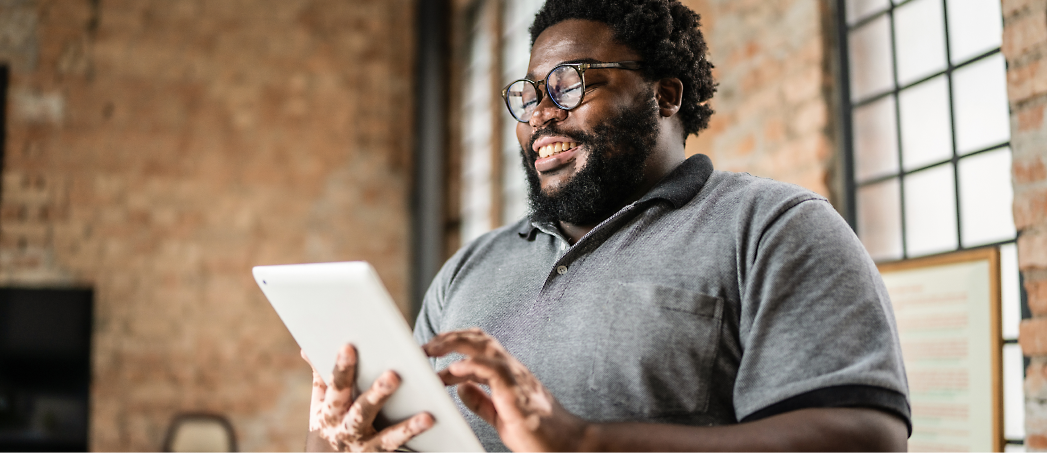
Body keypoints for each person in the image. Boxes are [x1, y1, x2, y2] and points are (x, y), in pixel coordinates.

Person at [304, 1, 911, 452]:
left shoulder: (771, 228)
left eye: (570, 84)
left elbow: (866, 436)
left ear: (665, 95)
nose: (539, 114)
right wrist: (345, 440)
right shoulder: (468, 267)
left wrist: (584, 442)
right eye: (528, 94)